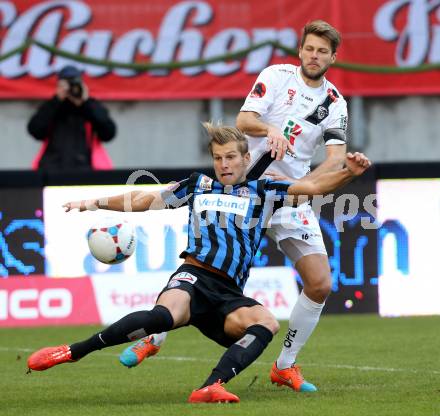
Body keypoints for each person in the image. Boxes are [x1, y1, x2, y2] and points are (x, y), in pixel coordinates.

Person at [27, 123, 370, 403]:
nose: (224, 164)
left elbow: (311, 186)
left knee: (265, 322)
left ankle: (210, 386)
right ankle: (74, 351)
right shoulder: (198, 185)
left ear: (246, 158)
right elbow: (144, 198)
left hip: (228, 294)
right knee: (163, 316)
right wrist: (92, 202)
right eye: (219, 157)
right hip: (193, 276)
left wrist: (348, 173)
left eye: (232, 157)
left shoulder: (264, 191)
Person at [124, 20, 348, 393]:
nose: (314, 56)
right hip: (243, 189)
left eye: (322, 51)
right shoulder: (276, 77)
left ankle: (284, 366)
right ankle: (155, 336)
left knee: (321, 283)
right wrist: (269, 131)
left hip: (287, 196)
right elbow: (245, 120)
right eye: (309, 48)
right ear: (300, 50)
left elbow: (335, 157)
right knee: (207, 263)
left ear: (332, 57)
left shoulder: (335, 103)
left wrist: (313, 185)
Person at [28, 65, 116, 171]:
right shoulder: (52, 106)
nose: (70, 89)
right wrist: (57, 100)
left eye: (74, 84)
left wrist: (85, 102)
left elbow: (109, 133)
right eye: (66, 85)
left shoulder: (90, 107)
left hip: (85, 171)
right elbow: (35, 130)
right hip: (53, 170)